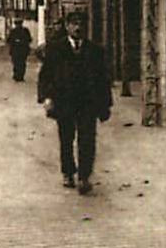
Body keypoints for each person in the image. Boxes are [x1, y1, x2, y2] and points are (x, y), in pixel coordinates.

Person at [36, 10, 113, 195]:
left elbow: (103, 80)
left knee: (88, 140)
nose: (78, 27)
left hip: (88, 103)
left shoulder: (95, 51)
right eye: (74, 24)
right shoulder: (55, 49)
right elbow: (45, 76)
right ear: (67, 26)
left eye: (81, 24)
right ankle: (68, 172)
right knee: (66, 138)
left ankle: (84, 177)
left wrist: (105, 105)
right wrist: (46, 98)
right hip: (64, 102)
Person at [8, 18, 33, 82]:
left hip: (19, 50)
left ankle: (19, 76)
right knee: (19, 63)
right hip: (19, 50)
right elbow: (9, 40)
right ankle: (18, 75)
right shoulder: (23, 31)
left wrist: (18, 41)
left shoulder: (17, 31)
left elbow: (29, 39)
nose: (18, 25)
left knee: (19, 63)